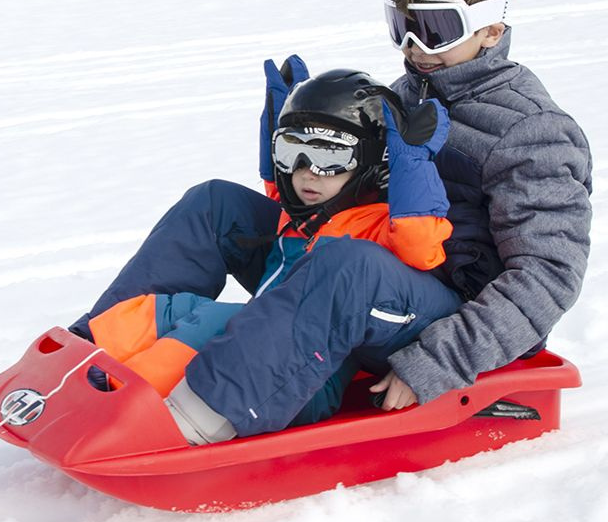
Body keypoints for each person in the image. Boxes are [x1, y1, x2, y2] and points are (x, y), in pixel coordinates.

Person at [71, 0, 592, 443]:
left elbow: (548, 277)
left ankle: (197, 417)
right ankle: (89, 355)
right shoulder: (408, 91)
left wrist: (437, 362)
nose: (415, 48)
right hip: (368, 270)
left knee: (349, 265)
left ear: (491, 30)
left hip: (448, 317)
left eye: (436, 29)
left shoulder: (532, 131)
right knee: (215, 205)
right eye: (403, 26)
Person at [75, 68, 461, 444]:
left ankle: (162, 412)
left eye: (330, 157)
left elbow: (421, 248)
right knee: (177, 303)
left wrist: (412, 164)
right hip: (263, 350)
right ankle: (86, 358)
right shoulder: (313, 211)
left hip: (301, 383)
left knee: (217, 322)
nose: (307, 172)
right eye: (293, 151)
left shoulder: (378, 228)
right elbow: (283, 201)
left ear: (374, 165)